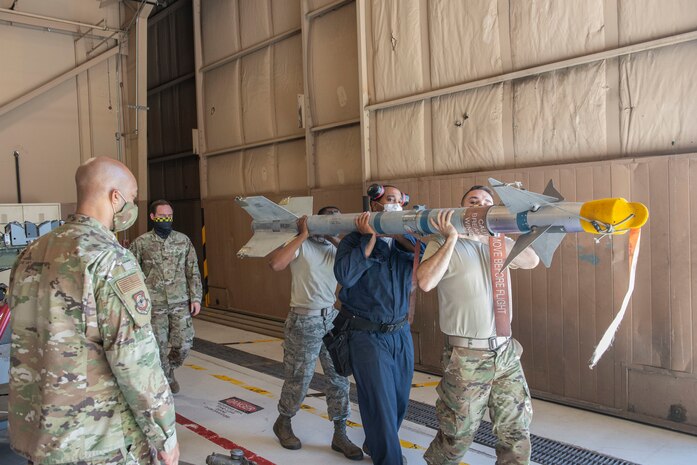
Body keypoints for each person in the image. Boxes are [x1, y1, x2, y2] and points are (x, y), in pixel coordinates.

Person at [8, 156, 179, 465]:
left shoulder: (30, 253)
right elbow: (135, 362)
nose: (133, 205)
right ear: (116, 198)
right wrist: (164, 435)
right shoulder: (110, 261)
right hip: (98, 441)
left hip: (41, 437)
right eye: (132, 196)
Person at [417, 185, 540, 465]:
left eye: (487, 202)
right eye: (473, 201)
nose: (481, 205)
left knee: (516, 432)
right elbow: (425, 281)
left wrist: (488, 238)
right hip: (467, 357)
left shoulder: (498, 242)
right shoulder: (443, 241)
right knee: (457, 434)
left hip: (506, 352)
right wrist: (451, 238)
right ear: (463, 209)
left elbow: (531, 260)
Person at [333, 185, 424, 465]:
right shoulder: (353, 240)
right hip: (365, 334)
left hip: (399, 334)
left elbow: (426, 257)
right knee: (380, 404)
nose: (394, 205)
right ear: (374, 206)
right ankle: (389, 460)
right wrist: (370, 237)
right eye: (389, 200)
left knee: (398, 401)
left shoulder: (404, 243)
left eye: (398, 201)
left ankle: (375, 444)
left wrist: (399, 234)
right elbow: (346, 277)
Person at [268, 206, 363, 460]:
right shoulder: (301, 245)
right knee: (300, 378)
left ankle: (340, 432)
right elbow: (276, 263)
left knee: (339, 378)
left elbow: (354, 260)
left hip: (330, 318)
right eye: (326, 220)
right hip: (303, 320)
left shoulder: (337, 249)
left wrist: (333, 237)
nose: (330, 225)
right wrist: (302, 234)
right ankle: (284, 421)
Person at [129, 200, 203, 394]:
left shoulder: (183, 241)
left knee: (184, 343)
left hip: (180, 302)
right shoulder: (141, 243)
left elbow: (192, 270)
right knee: (158, 347)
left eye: (169, 216)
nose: (166, 220)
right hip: (154, 305)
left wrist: (196, 298)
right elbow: (132, 275)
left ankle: (168, 369)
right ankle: (165, 378)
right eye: (162, 216)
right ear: (153, 217)